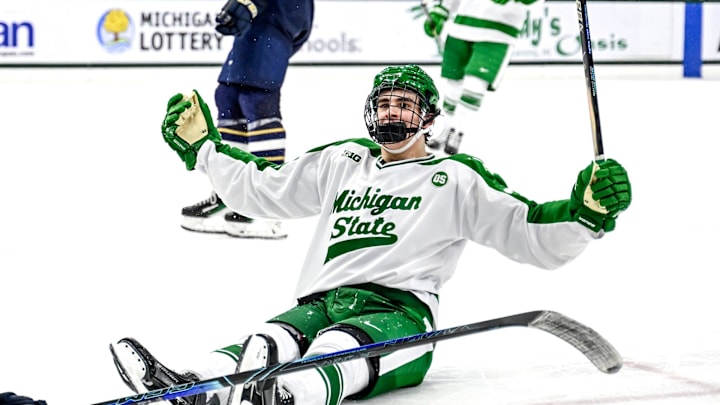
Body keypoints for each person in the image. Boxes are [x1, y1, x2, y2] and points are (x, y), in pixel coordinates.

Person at [110, 64, 631, 405]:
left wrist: (583, 214)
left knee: (337, 348)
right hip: (322, 300)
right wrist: (206, 150)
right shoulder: (344, 160)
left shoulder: (455, 177)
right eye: (385, 104)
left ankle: (282, 396)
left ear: (427, 117)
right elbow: (265, 190)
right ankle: (191, 387)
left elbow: (526, 230)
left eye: (406, 105)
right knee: (268, 339)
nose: (393, 113)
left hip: (400, 313)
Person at [180, 0, 314, 239]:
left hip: (276, 19)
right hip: (258, 24)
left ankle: (269, 206)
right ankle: (229, 195)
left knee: (258, 99)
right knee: (229, 97)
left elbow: (299, 24)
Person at [422, 0, 542, 155]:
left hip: (499, 31)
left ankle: (458, 131)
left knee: (475, 84)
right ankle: (445, 129)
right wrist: (441, 10)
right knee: (453, 85)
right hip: (461, 25)